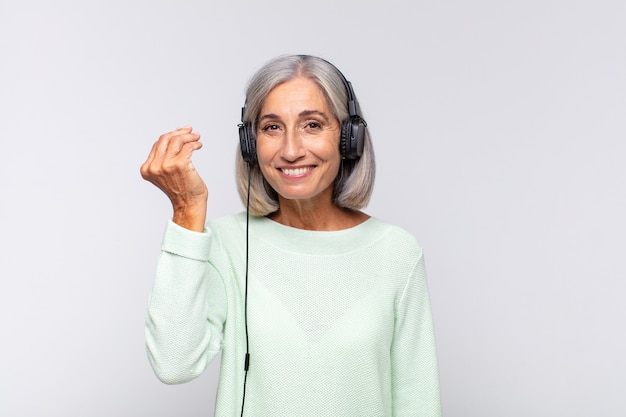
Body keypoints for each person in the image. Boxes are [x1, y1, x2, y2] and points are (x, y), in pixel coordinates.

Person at [140, 54, 441, 416]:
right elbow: (174, 364)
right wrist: (187, 211)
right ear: (251, 146)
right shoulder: (227, 243)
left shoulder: (397, 252)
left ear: (349, 139)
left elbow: (417, 402)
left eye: (312, 125)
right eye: (271, 128)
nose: (291, 150)